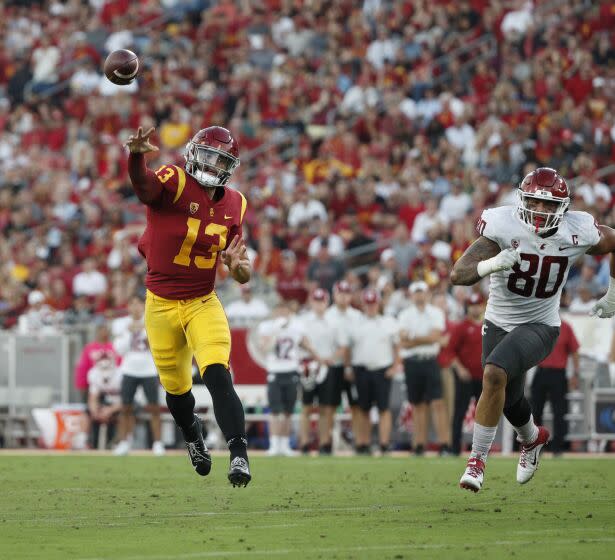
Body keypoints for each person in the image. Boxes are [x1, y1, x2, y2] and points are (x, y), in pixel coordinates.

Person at [451, 167, 615, 492]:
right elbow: (459, 274)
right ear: (521, 201)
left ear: (563, 207)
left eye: (548, 205)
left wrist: (613, 292)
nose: (540, 211)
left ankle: (477, 461)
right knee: (510, 399)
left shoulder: (577, 230)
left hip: (541, 324)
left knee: (494, 373)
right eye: (534, 203)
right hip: (498, 320)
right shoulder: (502, 224)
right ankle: (532, 437)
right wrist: (491, 264)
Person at [126, 126, 252, 487]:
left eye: (220, 160)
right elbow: (144, 187)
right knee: (177, 389)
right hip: (161, 303)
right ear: (193, 152)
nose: (211, 165)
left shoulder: (236, 204)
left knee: (216, 374)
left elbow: (241, 269)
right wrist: (137, 156)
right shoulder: (175, 180)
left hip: (202, 300)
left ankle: (239, 455)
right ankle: (192, 436)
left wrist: (241, 271)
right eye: (208, 156)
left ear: (231, 166)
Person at [256, 301, 324, 456]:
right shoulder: (267, 327)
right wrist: (275, 331)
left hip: (292, 370)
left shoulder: (297, 326)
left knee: (287, 410)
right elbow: (263, 348)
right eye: (279, 310)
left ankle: (285, 444)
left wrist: (320, 359)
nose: (281, 313)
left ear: (289, 312)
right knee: (274, 410)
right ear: (275, 312)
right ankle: (274, 444)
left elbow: (307, 345)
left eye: (284, 310)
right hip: (275, 370)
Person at [398, 281, 450, 455]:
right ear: (412, 295)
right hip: (412, 362)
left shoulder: (436, 312)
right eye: (416, 292)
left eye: (422, 292)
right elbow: (403, 343)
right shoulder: (405, 314)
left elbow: (435, 336)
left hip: (429, 360)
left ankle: (444, 444)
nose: (419, 296)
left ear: (427, 294)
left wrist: (413, 337)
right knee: (417, 404)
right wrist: (428, 339)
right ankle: (419, 444)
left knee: (437, 403)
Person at [347, 289, 401, 454]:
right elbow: (348, 348)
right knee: (363, 408)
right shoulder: (355, 323)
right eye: (368, 304)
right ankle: (364, 443)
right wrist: (348, 367)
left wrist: (395, 366)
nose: (371, 307)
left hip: (382, 369)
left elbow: (397, 346)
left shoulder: (388, 322)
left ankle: (384, 443)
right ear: (364, 305)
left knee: (384, 408)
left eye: (373, 304)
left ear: (378, 304)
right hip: (361, 368)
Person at [112, 295, 165, 457]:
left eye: (138, 304)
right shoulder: (121, 324)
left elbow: (158, 345)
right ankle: (124, 442)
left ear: (143, 305)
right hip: (129, 368)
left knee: (154, 407)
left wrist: (143, 330)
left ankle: (157, 443)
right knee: (126, 407)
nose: (135, 307)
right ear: (128, 307)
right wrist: (129, 333)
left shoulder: (152, 321)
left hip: (148, 369)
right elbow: (119, 349)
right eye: (132, 304)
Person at [296, 288, 339, 455]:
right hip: (308, 367)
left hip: (326, 367)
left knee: (325, 407)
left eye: (322, 301)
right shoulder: (303, 320)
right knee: (306, 407)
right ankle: (305, 443)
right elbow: (300, 341)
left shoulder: (333, 321)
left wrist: (330, 358)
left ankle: (324, 442)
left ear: (326, 302)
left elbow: (340, 345)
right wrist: (316, 356)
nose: (319, 305)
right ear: (311, 302)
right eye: (316, 301)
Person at [324, 280, 363, 453]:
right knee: (329, 405)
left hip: (354, 366)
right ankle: (327, 442)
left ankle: (359, 442)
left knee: (356, 405)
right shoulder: (327, 315)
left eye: (347, 293)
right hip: (334, 366)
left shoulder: (357, 316)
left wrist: (350, 366)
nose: (344, 297)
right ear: (334, 294)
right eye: (341, 293)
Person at [531, 319, 580, 455]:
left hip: (558, 374)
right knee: (536, 411)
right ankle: (535, 445)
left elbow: (574, 351)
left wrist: (575, 374)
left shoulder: (566, 327)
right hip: (540, 371)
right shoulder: (540, 326)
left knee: (559, 412)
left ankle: (558, 447)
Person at [449, 292, 486, 455]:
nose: (475, 308)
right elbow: (450, 351)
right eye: (472, 306)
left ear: (483, 306)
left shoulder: (489, 326)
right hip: (465, 377)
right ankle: (455, 448)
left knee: (484, 414)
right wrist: (459, 368)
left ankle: (480, 449)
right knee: (459, 411)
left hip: (484, 377)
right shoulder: (461, 327)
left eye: (477, 305)